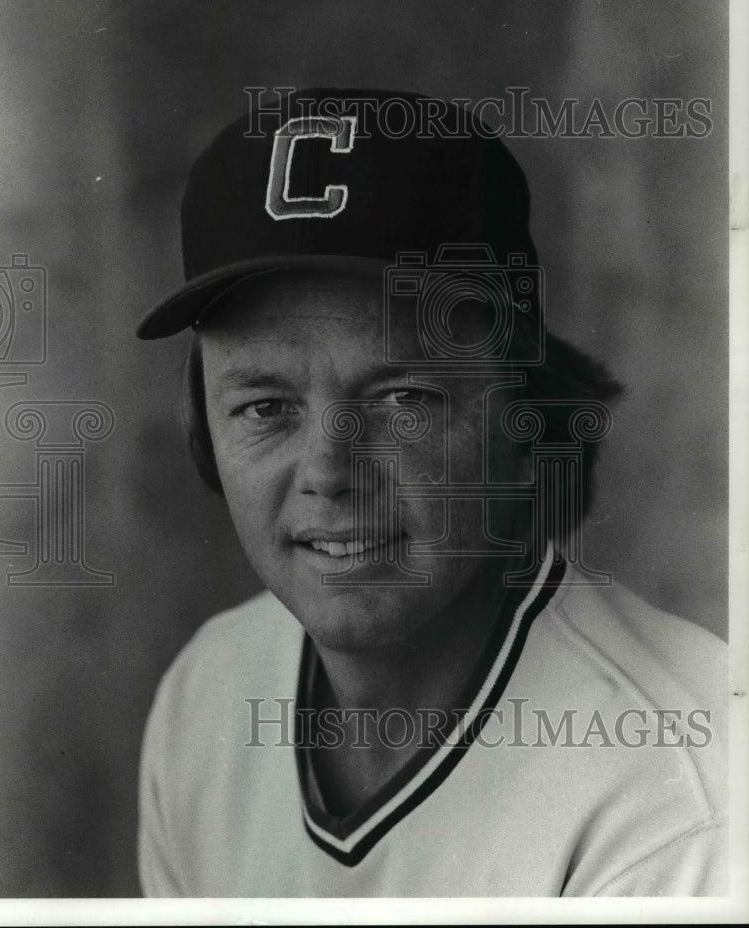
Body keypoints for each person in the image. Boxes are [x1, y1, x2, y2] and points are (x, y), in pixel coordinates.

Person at [135, 89, 726, 897]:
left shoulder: (684, 789)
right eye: (265, 408)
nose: (328, 473)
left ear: (523, 421)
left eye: (401, 399)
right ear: (204, 432)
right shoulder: (207, 689)